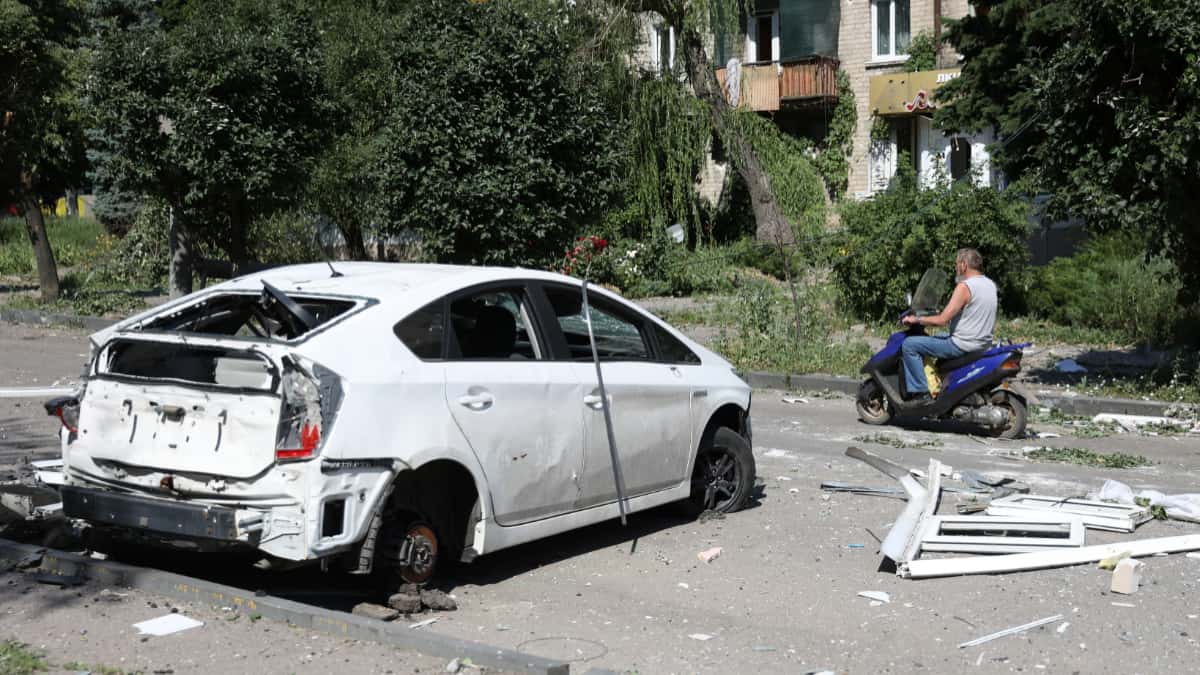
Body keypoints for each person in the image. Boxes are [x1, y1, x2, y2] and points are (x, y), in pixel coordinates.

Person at [899, 248, 997, 401]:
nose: (956, 268)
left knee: (909, 345)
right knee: (937, 337)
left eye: (957, 264)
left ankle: (921, 393)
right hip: (982, 343)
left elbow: (942, 320)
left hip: (961, 344)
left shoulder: (965, 286)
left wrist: (916, 320)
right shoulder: (990, 284)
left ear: (964, 265)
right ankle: (942, 380)